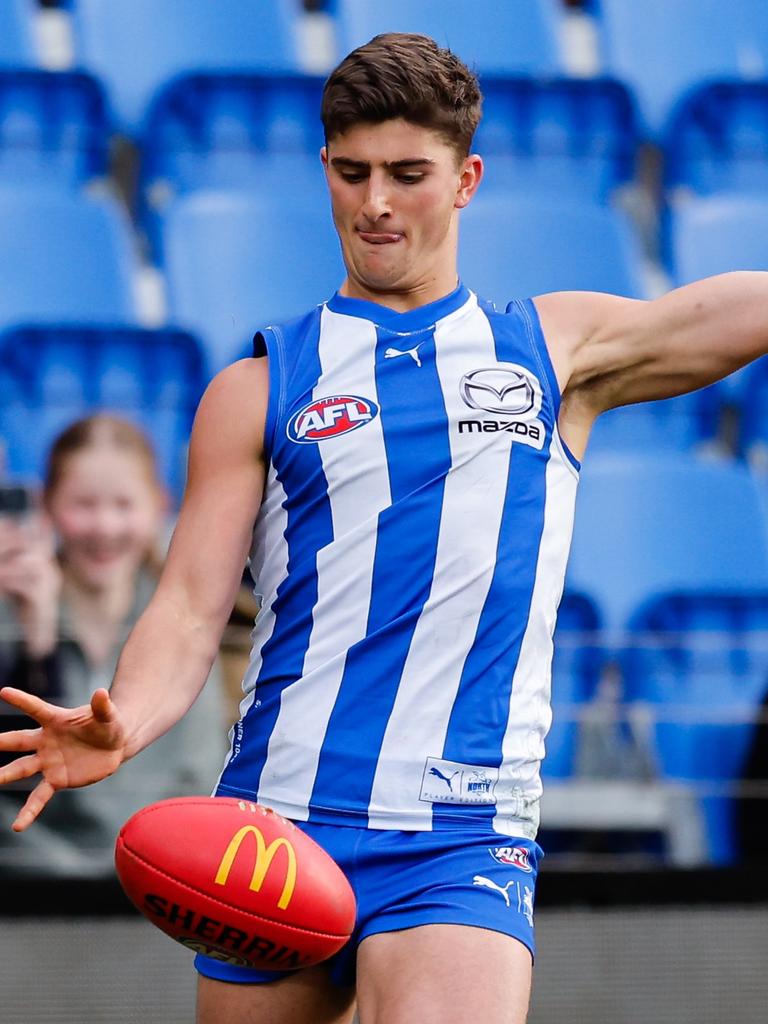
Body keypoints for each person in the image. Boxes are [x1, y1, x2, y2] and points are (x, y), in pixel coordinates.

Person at [0, 31, 766, 1024]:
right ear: (325, 169)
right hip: (275, 826)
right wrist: (129, 719)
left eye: (409, 174)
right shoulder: (257, 386)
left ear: (467, 178)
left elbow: (722, 311)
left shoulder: (553, 349)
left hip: (463, 830)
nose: (376, 202)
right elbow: (190, 605)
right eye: (354, 173)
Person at [0, 414, 226, 876]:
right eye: (84, 505)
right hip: (31, 876)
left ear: (159, 506)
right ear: (47, 506)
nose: (104, 526)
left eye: (123, 505)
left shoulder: (183, 623)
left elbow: (199, 776)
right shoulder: (13, 611)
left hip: (157, 876)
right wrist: (37, 644)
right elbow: (14, 777)